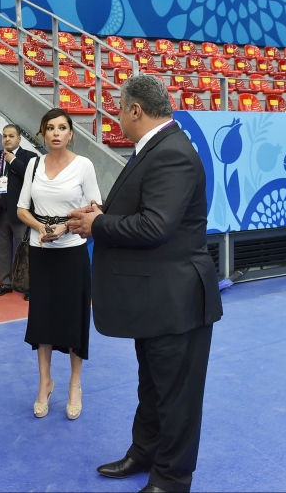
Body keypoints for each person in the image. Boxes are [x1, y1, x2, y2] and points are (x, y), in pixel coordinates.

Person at [67, 75, 223, 493]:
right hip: (157, 299)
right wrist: (102, 213)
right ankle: (145, 453)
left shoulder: (170, 153)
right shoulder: (156, 148)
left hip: (177, 300)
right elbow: (146, 208)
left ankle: (172, 479)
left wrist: (98, 223)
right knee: (152, 385)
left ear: (136, 109)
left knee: (177, 397)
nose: (117, 118)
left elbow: (156, 225)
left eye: (120, 110)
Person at [16, 108, 101, 420]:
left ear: (70, 133)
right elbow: (22, 208)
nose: (55, 133)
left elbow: (96, 207)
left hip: (73, 252)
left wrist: (65, 227)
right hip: (41, 254)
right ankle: (45, 384)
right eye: (49, 128)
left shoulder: (84, 165)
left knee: (74, 320)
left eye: (61, 128)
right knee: (43, 320)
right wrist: (40, 228)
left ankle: (74, 385)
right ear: (42, 133)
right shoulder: (34, 164)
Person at [0, 124, 37, 300]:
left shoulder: (29, 157)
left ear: (19, 139)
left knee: (25, 250)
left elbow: (31, 178)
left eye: (11, 136)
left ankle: (28, 286)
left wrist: (12, 161)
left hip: (21, 213)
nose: (7, 139)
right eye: (4, 136)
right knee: (2, 250)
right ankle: (5, 283)